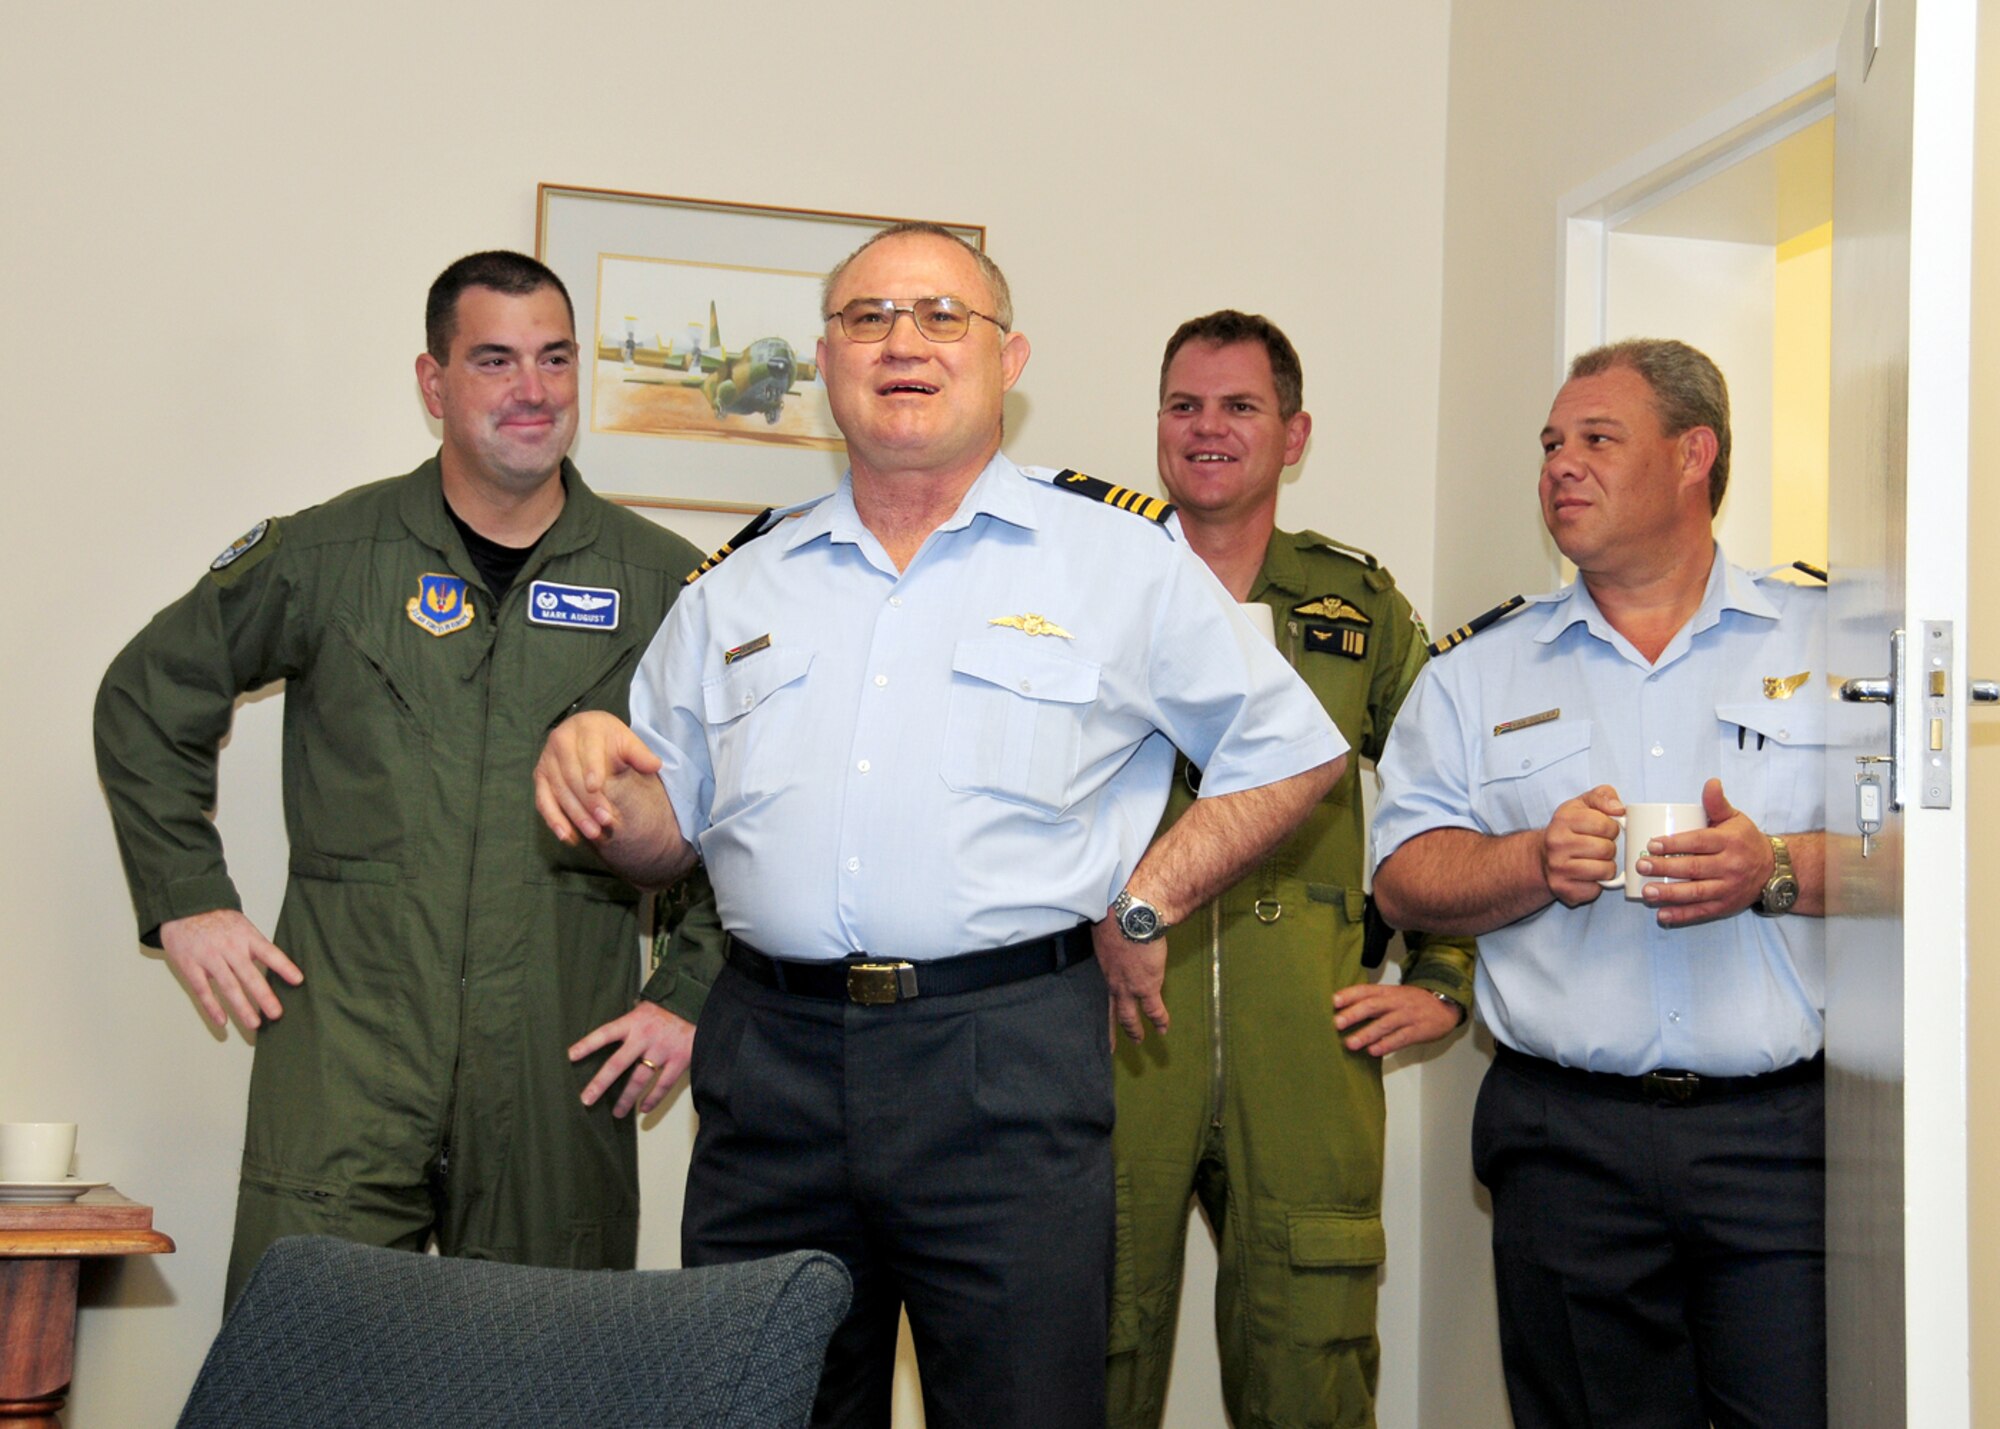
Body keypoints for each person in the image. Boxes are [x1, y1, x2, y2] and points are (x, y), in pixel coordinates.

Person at [534, 224, 1347, 1429]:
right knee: (767, 1404)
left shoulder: (1116, 562)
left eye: (938, 316)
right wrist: (598, 781)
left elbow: (1295, 751)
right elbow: (671, 834)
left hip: (1002, 1060)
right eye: (866, 318)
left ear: (1006, 357)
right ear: (824, 359)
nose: (901, 342)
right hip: (770, 1070)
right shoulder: (739, 586)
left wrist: (1144, 901)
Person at [93, 251, 703, 1304]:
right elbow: (146, 699)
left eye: (555, 358)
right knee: (300, 1364)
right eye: (495, 360)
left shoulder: (664, 583)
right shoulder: (331, 554)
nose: (533, 389)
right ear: (433, 384)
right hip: (345, 1053)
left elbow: (741, 800)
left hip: (557, 1061)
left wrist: (690, 989)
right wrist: (188, 898)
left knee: (542, 1379)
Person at [1370, 338, 1827, 1428]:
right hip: (1566, 1143)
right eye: (1548, 444)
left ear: (1691, 455)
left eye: (1594, 439)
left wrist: (1775, 867)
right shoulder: (1476, 670)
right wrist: (1529, 859)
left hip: (1779, 1142)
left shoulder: (1829, 638)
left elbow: (1929, 856)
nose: (1558, 466)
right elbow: (1399, 880)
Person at [1106, 311, 1475, 1429]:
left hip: (1307, 1037)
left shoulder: (1351, 605)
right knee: (1083, 1334)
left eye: (1237, 406)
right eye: (1183, 405)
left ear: (1292, 432)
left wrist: (1444, 974)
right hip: (1112, 1031)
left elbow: (1444, 796)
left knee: (1308, 1352)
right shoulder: (1096, 586)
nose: (1206, 428)